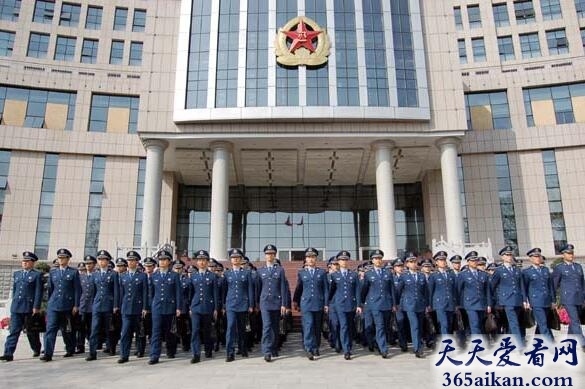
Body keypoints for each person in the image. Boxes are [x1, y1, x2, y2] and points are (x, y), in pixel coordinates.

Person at [0, 251, 43, 362]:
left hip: (29, 307)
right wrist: (13, 302)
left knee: (31, 332)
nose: (24, 263)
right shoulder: (17, 274)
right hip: (17, 307)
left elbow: (38, 292)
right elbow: (15, 290)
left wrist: (36, 306)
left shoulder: (36, 275)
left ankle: (36, 348)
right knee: (14, 331)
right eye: (23, 261)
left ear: (32, 263)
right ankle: (8, 353)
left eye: (27, 261)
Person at [41, 248, 81, 361]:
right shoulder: (53, 272)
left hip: (67, 305)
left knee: (66, 330)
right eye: (59, 258)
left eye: (63, 258)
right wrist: (49, 303)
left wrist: (76, 305)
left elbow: (77, 290)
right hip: (54, 305)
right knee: (50, 329)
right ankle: (48, 353)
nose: (61, 260)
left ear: (68, 259)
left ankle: (70, 349)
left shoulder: (73, 272)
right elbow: (50, 289)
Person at [293, 247, 328, 360]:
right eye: (308, 257)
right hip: (306, 304)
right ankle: (308, 348)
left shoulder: (322, 272)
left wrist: (326, 304)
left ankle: (316, 346)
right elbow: (299, 288)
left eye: (313, 257)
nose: (310, 259)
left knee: (317, 327)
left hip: (318, 303)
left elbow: (326, 290)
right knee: (308, 325)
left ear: (316, 258)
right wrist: (296, 302)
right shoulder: (301, 273)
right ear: (305, 259)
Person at [148, 250, 183, 364]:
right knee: (156, 332)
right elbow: (151, 293)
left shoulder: (174, 275)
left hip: (170, 307)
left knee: (170, 332)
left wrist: (178, 307)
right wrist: (150, 306)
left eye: (164, 260)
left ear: (169, 262)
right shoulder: (154, 276)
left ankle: (171, 350)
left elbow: (178, 292)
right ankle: (154, 355)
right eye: (160, 260)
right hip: (157, 307)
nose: (162, 262)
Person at [359, 249, 395, 359]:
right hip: (374, 304)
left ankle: (378, 343)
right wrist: (362, 303)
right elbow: (364, 289)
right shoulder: (369, 274)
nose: (378, 260)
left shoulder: (388, 273)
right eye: (375, 259)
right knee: (380, 326)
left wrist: (394, 303)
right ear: (372, 260)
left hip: (387, 303)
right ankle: (383, 349)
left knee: (384, 326)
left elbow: (392, 289)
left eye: (379, 258)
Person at [256, 244, 288, 362]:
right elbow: (258, 288)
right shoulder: (260, 270)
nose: (270, 256)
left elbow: (283, 288)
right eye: (268, 254)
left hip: (277, 302)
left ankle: (274, 348)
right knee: (267, 326)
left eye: (272, 254)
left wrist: (284, 304)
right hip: (264, 302)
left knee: (275, 327)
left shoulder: (280, 270)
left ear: (274, 255)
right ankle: (267, 351)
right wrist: (256, 303)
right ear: (265, 256)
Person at [222, 248, 255, 362]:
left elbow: (250, 289)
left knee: (242, 328)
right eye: (233, 258)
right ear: (230, 260)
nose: (235, 259)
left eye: (237, 258)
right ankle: (229, 352)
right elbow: (224, 290)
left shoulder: (246, 273)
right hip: (230, 304)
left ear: (241, 259)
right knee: (230, 327)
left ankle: (243, 348)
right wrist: (223, 305)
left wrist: (251, 304)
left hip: (243, 304)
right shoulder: (227, 274)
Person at [86, 250, 119, 361]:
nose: (101, 262)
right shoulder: (95, 274)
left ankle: (111, 347)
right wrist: (92, 304)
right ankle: (92, 352)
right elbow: (93, 291)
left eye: (103, 259)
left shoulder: (113, 274)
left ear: (108, 261)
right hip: (97, 304)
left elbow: (116, 291)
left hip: (108, 304)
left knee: (109, 328)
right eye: (99, 259)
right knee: (94, 329)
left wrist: (115, 305)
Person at [395, 252, 429, 358]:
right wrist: (397, 304)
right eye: (411, 262)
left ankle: (418, 344)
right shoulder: (404, 276)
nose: (413, 263)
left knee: (419, 326)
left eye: (414, 261)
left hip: (420, 305)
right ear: (407, 264)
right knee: (414, 326)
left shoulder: (421, 275)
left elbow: (425, 292)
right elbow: (398, 291)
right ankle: (417, 348)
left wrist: (427, 305)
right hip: (409, 305)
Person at [328, 250, 361, 360]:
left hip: (351, 304)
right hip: (339, 305)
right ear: (338, 261)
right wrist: (328, 304)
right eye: (342, 260)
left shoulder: (354, 275)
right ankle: (346, 350)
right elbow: (331, 291)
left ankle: (349, 345)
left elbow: (357, 290)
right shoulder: (334, 275)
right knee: (344, 326)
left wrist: (359, 305)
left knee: (350, 326)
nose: (344, 262)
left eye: (346, 260)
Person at [490, 246, 525, 348]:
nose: (509, 257)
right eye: (507, 255)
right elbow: (492, 286)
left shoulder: (517, 270)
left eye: (510, 255)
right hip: (507, 300)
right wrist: (497, 299)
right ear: (502, 257)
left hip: (517, 299)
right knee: (514, 322)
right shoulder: (499, 270)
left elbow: (521, 285)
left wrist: (524, 299)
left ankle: (510, 343)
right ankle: (519, 345)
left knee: (513, 323)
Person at [552, 243, 585, 351]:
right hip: (568, 298)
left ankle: (568, 342)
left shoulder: (578, 266)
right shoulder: (559, 268)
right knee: (575, 320)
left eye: (572, 253)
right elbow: (554, 285)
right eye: (568, 253)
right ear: (563, 255)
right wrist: (553, 300)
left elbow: (582, 283)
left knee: (574, 321)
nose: (571, 255)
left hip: (579, 298)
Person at [189, 250, 219, 363]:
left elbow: (215, 293)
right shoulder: (193, 276)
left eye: (204, 260)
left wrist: (216, 308)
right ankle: (196, 354)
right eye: (199, 260)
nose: (201, 262)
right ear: (197, 262)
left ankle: (208, 350)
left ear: (207, 262)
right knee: (195, 330)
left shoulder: (212, 276)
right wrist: (190, 307)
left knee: (207, 331)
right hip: (196, 307)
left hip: (208, 307)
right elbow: (190, 293)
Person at [118, 251, 149, 363]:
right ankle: (124, 355)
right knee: (125, 332)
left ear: (137, 262)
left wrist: (145, 307)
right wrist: (119, 306)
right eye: (129, 260)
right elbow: (121, 293)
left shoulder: (142, 275)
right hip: (126, 308)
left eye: (133, 260)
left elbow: (145, 292)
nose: (130, 262)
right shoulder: (123, 276)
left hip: (138, 308)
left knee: (139, 331)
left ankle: (140, 350)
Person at [522, 248, 555, 342]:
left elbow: (550, 286)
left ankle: (537, 340)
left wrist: (553, 300)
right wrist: (525, 300)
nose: (538, 258)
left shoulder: (545, 270)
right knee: (543, 322)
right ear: (530, 259)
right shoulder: (527, 272)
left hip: (547, 300)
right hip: (536, 301)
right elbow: (524, 287)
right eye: (535, 256)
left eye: (539, 256)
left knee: (545, 322)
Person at [457, 251, 492, 338]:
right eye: (472, 261)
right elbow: (459, 290)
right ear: (468, 262)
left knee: (480, 324)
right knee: (474, 324)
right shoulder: (463, 274)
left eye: (476, 260)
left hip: (481, 303)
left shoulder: (483, 274)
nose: (475, 262)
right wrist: (460, 304)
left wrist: (489, 304)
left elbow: (487, 291)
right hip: (470, 303)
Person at [428, 251, 457, 337]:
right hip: (439, 304)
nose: (443, 262)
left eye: (444, 260)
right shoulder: (433, 275)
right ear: (436, 262)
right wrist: (430, 305)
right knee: (444, 324)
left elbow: (454, 290)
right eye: (440, 260)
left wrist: (456, 304)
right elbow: (430, 291)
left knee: (450, 325)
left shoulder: (451, 274)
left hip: (450, 303)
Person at [76, 256, 96, 354]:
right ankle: (80, 346)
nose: (88, 265)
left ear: (94, 265)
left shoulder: (96, 276)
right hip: (83, 305)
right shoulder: (81, 277)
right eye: (86, 264)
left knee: (92, 328)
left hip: (93, 306)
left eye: (90, 263)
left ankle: (93, 345)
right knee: (81, 327)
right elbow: (78, 292)